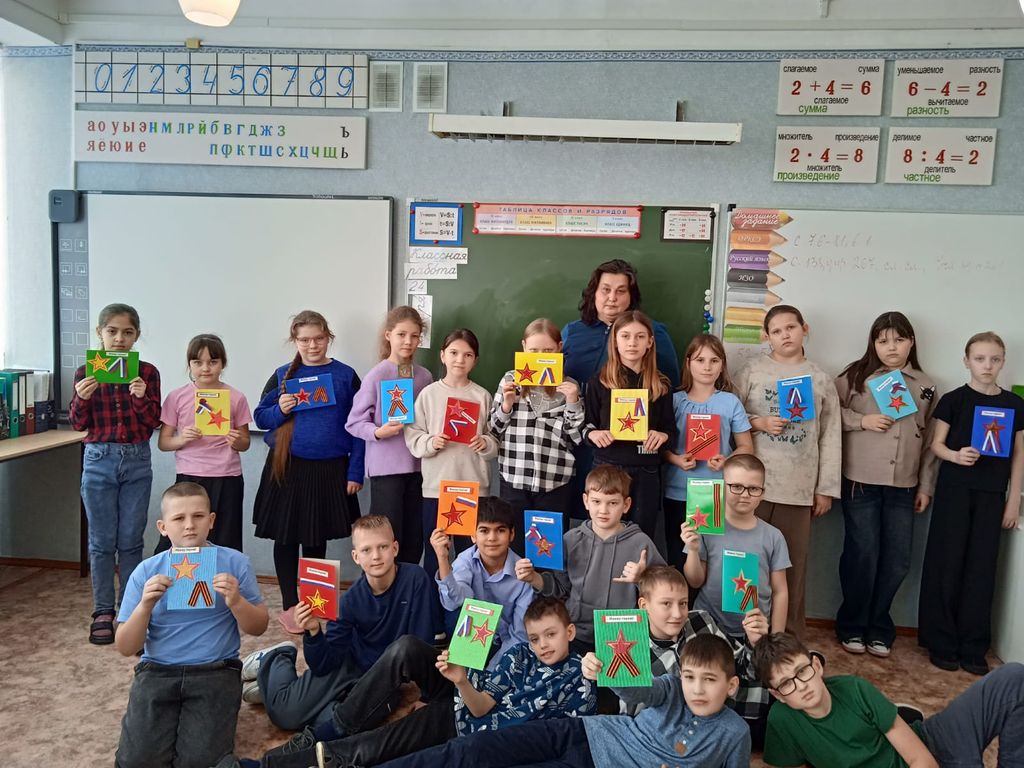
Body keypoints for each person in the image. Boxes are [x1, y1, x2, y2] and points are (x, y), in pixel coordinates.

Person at [258, 597, 595, 768]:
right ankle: (268, 764)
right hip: (459, 713)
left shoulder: (581, 675)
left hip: (487, 745)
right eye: (535, 638)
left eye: (550, 635)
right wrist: (461, 681)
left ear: (569, 632)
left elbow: (570, 734)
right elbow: (480, 707)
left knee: (387, 758)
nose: (543, 645)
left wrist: (594, 670)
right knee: (371, 745)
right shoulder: (521, 655)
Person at [369, 633, 750, 768]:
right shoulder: (671, 687)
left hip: (594, 764)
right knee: (471, 751)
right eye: (690, 677)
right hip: (582, 731)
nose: (697, 689)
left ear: (731, 685)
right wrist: (609, 671)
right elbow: (640, 692)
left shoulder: (734, 733)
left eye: (709, 680)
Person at [114, 482, 269, 768]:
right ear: (163, 527)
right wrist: (144, 606)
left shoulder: (235, 563)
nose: (189, 525)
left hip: (215, 669)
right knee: (136, 762)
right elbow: (125, 646)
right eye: (178, 518)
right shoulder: (146, 571)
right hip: (157, 671)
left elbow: (259, 626)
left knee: (201, 762)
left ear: (211, 521)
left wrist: (236, 601)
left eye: (198, 516)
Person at [241, 515, 441, 733]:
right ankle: (276, 658)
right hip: (348, 664)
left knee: (344, 724)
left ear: (395, 548)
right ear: (356, 557)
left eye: (383, 547)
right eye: (366, 550)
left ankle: (277, 688)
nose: (376, 556)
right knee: (285, 715)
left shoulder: (416, 579)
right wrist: (313, 631)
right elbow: (324, 664)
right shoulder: (349, 601)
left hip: (383, 677)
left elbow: (422, 643)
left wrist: (427, 697)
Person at [753, 631, 1024, 768]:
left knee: (1013, 678)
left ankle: (895, 716)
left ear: (817, 665)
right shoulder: (782, 720)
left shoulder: (855, 690)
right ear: (777, 695)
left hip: (929, 742)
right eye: (786, 684)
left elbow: (921, 760)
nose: (801, 686)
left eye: (802, 671)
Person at [252, 310, 365, 634]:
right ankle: (291, 606)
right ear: (295, 341)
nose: (312, 345)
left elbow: (359, 426)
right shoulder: (282, 375)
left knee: (316, 538)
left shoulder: (345, 376)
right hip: (287, 468)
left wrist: (355, 471)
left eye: (318, 338)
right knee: (286, 537)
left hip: (330, 469)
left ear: (328, 338)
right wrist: (280, 409)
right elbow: (261, 417)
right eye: (305, 340)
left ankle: (316, 603)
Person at [834, 312, 938, 658]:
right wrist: (862, 420)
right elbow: (828, 413)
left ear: (911, 342)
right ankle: (851, 624)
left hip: (904, 485)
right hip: (861, 482)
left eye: (899, 339)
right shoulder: (854, 377)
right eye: (883, 341)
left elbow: (930, 441)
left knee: (897, 560)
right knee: (862, 555)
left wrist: (925, 485)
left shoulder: (926, 386)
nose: (891, 347)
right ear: (873, 344)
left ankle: (879, 626)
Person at [733, 304, 841, 639]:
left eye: (791, 328)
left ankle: (787, 635)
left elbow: (831, 435)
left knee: (792, 564)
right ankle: (742, 630)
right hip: (752, 486)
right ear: (766, 336)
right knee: (746, 562)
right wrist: (759, 422)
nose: (785, 335)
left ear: (804, 329)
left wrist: (825, 489)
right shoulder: (752, 371)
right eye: (777, 331)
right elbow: (729, 415)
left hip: (798, 488)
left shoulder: (820, 378)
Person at [919, 331, 1024, 675]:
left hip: (992, 495)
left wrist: (1013, 500)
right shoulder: (954, 400)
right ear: (967, 361)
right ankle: (941, 641)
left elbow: (1019, 456)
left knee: (982, 569)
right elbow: (936, 445)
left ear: (1003, 362)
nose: (987, 365)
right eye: (980, 359)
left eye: (994, 359)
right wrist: (955, 455)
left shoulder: (1015, 404)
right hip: (954, 492)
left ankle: (973, 644)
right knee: (947, 564)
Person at [69, 302, 162, 645]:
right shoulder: (86, 371)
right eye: (112, 331)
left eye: (127, 332)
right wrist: (82, 398)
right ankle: (102, 610)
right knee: (101, 541)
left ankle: (130, 609)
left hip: (137, 460)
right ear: (100, 333)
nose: (119, 339)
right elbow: (78, 424)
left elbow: (153, 421)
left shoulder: (147, 373)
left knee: (131, 539)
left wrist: (140, 397)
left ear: (136, 335)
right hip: (99, 459)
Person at [516, 463, 663, 651]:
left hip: (623, 636)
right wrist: (533, 578)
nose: (603, 510)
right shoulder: (570, 540)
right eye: (596, 501)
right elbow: (560, 588)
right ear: (586, 501)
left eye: (613, 503)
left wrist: (642, 579)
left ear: (626, 505)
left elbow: (663, 592)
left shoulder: (641, 543)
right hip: (576, 633)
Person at [630, 565, 772, 748]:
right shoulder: (631, 645)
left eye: (683, 603)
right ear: (644, 605)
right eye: (666, 604)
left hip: (738, 714)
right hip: (677, 737)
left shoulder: (701, 620)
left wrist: (753, 644)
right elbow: (634, 712)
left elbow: (742, 670)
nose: (677, 614)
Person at [405, 328, 499, 576]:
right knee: (436, 552)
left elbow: (495, 438)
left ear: (475, 360)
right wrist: (431, 442)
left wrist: (485, 444)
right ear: (442, 356)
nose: (460, 360)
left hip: (473, 489)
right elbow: (413, 435)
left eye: (467, 355)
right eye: (454, 353)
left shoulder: (482, 396)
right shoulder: (428, 394)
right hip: (437, 489)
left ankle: (470, 599)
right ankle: (434, 599)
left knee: (472, 554)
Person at [583, 311, 677, 554]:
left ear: (650, 342)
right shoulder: (599, 382)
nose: (632, 343)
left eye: (640, 336)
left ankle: (637, 580)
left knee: (640, 539)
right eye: (625, 336)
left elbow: (670, 431)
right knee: (603, 537)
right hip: (607, 468)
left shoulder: (661, 385)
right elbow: (585, 425)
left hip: (646, 472)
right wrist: (593, 434)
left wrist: (662, 436)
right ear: (615, 341)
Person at [346, 306, 433, 564]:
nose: (408, 341)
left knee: (414, 538)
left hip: (419, 467)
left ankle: (408, 584)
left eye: (414, 336)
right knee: (388, 537)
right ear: (388, 335)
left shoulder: (424, 376)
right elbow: (354, 422)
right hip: (386, 471)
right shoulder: (377, 375)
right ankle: (385, 584)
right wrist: (378, 432)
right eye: (401, 334)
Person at [490, 318, 584, 549]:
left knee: (548, 550)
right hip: (514, 478)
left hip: (554, 482)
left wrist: (573, 401)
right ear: (523, 347)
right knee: (514, 547)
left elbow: (576, 437)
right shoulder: (510, 380)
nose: (540, 356)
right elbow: (493, 430)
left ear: (559, 348)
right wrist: (506, 405)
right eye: (533, 351)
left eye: (548, 351)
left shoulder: (569, 386)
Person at [663, 333, 753, 571]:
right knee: (678, 555)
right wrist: (676, 459)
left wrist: (726, 461)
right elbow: (660, 447)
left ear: (722, 365)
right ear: (688, 363)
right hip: (677, 491)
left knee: (710, 558)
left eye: (714, 360)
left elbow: (746, 447)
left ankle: (705, 597)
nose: (707, 367)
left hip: (713, 491)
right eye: (700, 360)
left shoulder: (730, 402)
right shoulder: (673, 401)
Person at [156, 333, 252, 553]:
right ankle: (183, 575)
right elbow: (164, 442)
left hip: (227, 476)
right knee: (185, 536)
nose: (205, 368)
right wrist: (183, 438)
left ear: (223, 364)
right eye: (198, 362)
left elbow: (245, 443)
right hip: (190, 476)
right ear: (189, 364)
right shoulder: (177, 397)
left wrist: (236, 441)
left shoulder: (236, 397)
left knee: (226, 538)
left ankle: (223, 576)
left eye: (213, 362)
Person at [684, 453, 790, 639]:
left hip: (754, 630)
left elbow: (780, 591)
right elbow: (695, 581)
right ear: (722, 486)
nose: (745, 494)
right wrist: (692, 550)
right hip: (707, 625)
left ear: (762, 493)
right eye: (737, 487)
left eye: (753, 489)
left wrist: (776, 639)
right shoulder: (706, 528)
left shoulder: (773, 537)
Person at [430, 496, 534, 664]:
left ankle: (477, 671)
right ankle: (464, 666)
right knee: (458, 611)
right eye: (484, 531)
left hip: (507, 645)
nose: (492, 538)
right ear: (473, 535)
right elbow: (453, 602)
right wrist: (442, 558)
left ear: (512, 534)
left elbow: (520, 635)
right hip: (471, 638)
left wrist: (494, 670)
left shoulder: (523, 573)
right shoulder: (465, 560)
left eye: (500, 530)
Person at [561, 258, 680, 389]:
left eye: (621, 291)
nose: (612, 298)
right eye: (606, 289)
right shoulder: (571, 331)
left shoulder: (652, 331)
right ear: (594, 293)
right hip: (574, 402)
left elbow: (670, 385)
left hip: (629, 402)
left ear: (631, 297)